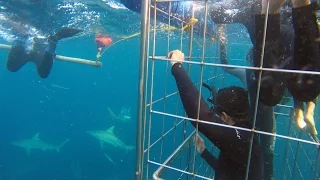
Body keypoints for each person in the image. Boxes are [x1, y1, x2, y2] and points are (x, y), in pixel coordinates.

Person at [168, 49, 264, 180]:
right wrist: (204, 152)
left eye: (217, 115)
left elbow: (201, 117)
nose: (215, 118)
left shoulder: (239, 139)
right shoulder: (246, 135)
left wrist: (176, 67)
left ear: (224, 116)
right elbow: (228, 170)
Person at [6, 27, 82, 79]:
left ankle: (21, 40)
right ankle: (52, 42)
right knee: (43, 74)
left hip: (35, 49)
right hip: (41, 50)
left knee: (12, 67)